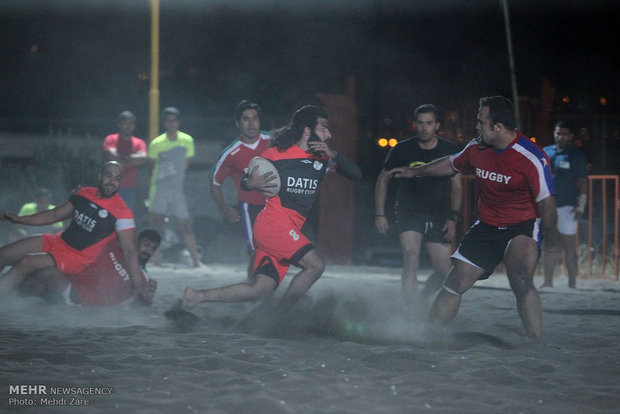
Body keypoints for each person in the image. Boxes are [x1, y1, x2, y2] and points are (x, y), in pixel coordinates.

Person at [391, 96, 558, 339]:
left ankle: (536, 342)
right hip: (487, 225)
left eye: (481, 122)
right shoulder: (476, 148)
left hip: (522, 225)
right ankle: (428, 334)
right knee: (455, 282)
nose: (477, 127)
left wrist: (551, 243)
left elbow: (548, 203)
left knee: (520, 278)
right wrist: (415, 171)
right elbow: (450, 164)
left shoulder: (531, 156)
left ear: (498, 126)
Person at [183, 105, 362, 312]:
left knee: (260, 289)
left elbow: (355, 174)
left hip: (283, 230)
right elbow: (246, 180)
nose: (328, 134)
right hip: (274, 226)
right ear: (307, 130)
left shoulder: (323, 159)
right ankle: (280, 315)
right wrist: (251, 183)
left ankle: (197, 296)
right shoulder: (278, 154)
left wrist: (334, 154)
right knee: (316, 265)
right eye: (323, 128)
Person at [0, 162, 153, 303]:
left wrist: (138, 284)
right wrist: (19, 219)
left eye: (117, 178)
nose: (112, 181)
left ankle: (6, 304)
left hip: (75, 257)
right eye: (109, 175)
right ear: (100, 176)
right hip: (58, 240)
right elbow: (54, 215)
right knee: (3, 254)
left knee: (27, 262)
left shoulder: (123, 213)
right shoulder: (83, 193)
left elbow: (129, 250)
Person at [374, 104, 462, 306]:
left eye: (429, 123)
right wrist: (380, 213)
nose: (424, 128)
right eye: (420, 123)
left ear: (437, 125)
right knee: (410, 259)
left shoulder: (449, 150)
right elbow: (383, 179)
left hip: (438, 214)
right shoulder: (402, 149)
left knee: (444, 272)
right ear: (415, 125)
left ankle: (422, 297)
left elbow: (457, 188)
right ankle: (411, 312)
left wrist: (453, 218)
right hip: (408, 211)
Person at [210, 100, 271, 276]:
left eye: (255, 118)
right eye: (246, 119)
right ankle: (251, 289)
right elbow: (214, 184)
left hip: (275, 205)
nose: (251, 123)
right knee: (256, 252)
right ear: (238, 123)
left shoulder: (274, 141)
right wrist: (225, 209)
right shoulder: (230, 153)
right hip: (250, 208)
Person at [147, 106, 206, 268]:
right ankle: (156, 259)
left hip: (176, 190)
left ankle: (196, 261)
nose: (171, 124)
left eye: (174, 121)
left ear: (178, 122)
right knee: (157, 226)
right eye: (168, 121)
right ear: (164, 123)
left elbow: (186, 165)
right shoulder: (156, 143)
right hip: (159, 189)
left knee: (185, 225)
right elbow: (152, 168)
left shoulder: (187, 140)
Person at [541, 121, 588, 288]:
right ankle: (547, 281)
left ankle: (572, 283)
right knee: (549, 244)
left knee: (569, 245)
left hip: (568, 206)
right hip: (548, 207)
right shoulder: (546, 152)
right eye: (558, 133)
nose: (561, 137)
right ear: (554, 133)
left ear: (571, 136)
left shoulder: (576, 156)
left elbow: (582, 183)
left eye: (564, 134)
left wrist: (581, 206)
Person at [103, 111, 148, 210]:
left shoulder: (139, 142)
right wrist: (132, 160)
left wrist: (122, 158)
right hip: (110, 185)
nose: (129, 125)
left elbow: (143, 159)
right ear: (119, 124)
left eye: (131, 123)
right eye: (126, 122)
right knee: (107, 215)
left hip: (130, 187)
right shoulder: (111, 139)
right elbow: (112, 157)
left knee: (125, 217)